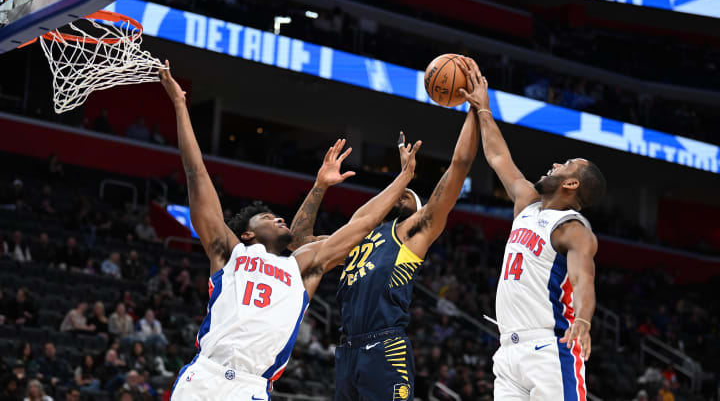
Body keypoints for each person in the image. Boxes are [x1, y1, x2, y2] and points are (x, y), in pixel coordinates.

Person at [159, 61, 420, 401]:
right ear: (247, 234)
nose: (278, 219)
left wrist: (403, 179)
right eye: (267, 217)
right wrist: (180, 106)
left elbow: (360, 226)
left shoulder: (301, 266)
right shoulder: (230, 252)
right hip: (204, 375)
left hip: (251, 386)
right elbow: (196, 173)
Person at [289, 60, 481, 401]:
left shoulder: (411, 233)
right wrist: (319, 186)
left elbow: (459, 166)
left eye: (407, 195)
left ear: (417, 211)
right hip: (347, 350)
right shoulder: (357, 239)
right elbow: (299, 244)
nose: (400, 197)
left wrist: (475, 108)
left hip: (385, 347)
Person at [460, 57, 605, 399]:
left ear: (570, 184)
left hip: (550, 350)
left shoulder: (572, 228)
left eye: (564, 164)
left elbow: (584, 279)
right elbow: (497, 157)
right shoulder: (526, 202)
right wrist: (483, 109)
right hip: (508, 352)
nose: (554, 164)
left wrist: (583, 321)